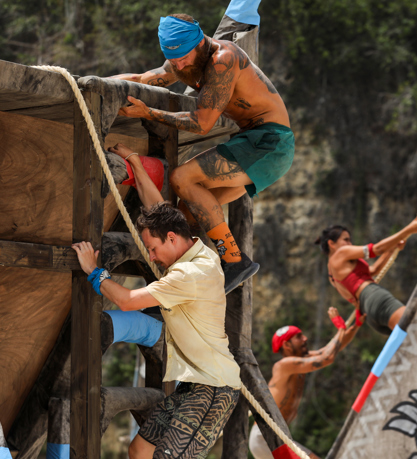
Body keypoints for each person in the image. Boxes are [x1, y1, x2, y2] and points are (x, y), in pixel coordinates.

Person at [72, 144, 242, 459]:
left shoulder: (187, 274)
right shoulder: (193, 249)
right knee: (139, 451)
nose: (150, 256)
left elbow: (126, 300)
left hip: (215, 388)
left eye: (152, 249)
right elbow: (160, 208)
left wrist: (94, 271)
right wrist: (135, 162)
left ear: (172, 239)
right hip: (193, 385)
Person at [111, 12, 294, 293]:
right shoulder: (183, 61)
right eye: (174, 60)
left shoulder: (224, 59)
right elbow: (141, 78)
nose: (180, 65)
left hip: (269, 142)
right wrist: (91, 83)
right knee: (186, 216)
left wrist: (149, 112)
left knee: (182, 178)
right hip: (253, 140)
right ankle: (190, 282)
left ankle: (235, 261)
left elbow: (202, 122)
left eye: (184, 57)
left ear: (200, 44)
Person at [249, 309, 362, 459]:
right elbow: (327, 358)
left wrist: (358, 323)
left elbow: (331, 349)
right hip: (265, 437)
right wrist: (340, 328)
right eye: (299, 337)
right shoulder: (284, 365)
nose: (305, 339)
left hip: (276, 437)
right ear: (287, 345)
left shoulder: (301, 360)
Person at [316, 215, 417, 335]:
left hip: (369, 314)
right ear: (331, 243)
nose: (350, 243)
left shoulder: (332, 275)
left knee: (415, 338)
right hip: (375, 298)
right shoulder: (341, 253)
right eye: (346, 240)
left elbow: (373, 270)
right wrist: (408, 230)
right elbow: (376, 249)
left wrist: (392, 248)